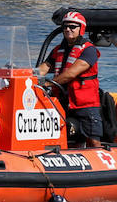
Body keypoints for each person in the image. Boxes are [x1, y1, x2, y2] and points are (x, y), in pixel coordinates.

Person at [36, 11, 103, 146]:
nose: (68, 29)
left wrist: (47, 84)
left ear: (81, 29)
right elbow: (43, 68)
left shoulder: (89, 50)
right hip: (62, 101)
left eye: (72, 27)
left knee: (93, 140)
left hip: (85, 103)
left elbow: (71, 74)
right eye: (65, 26)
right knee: (70, 138)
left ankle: (100, 157)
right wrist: (26, 76)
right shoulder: (58, 50)